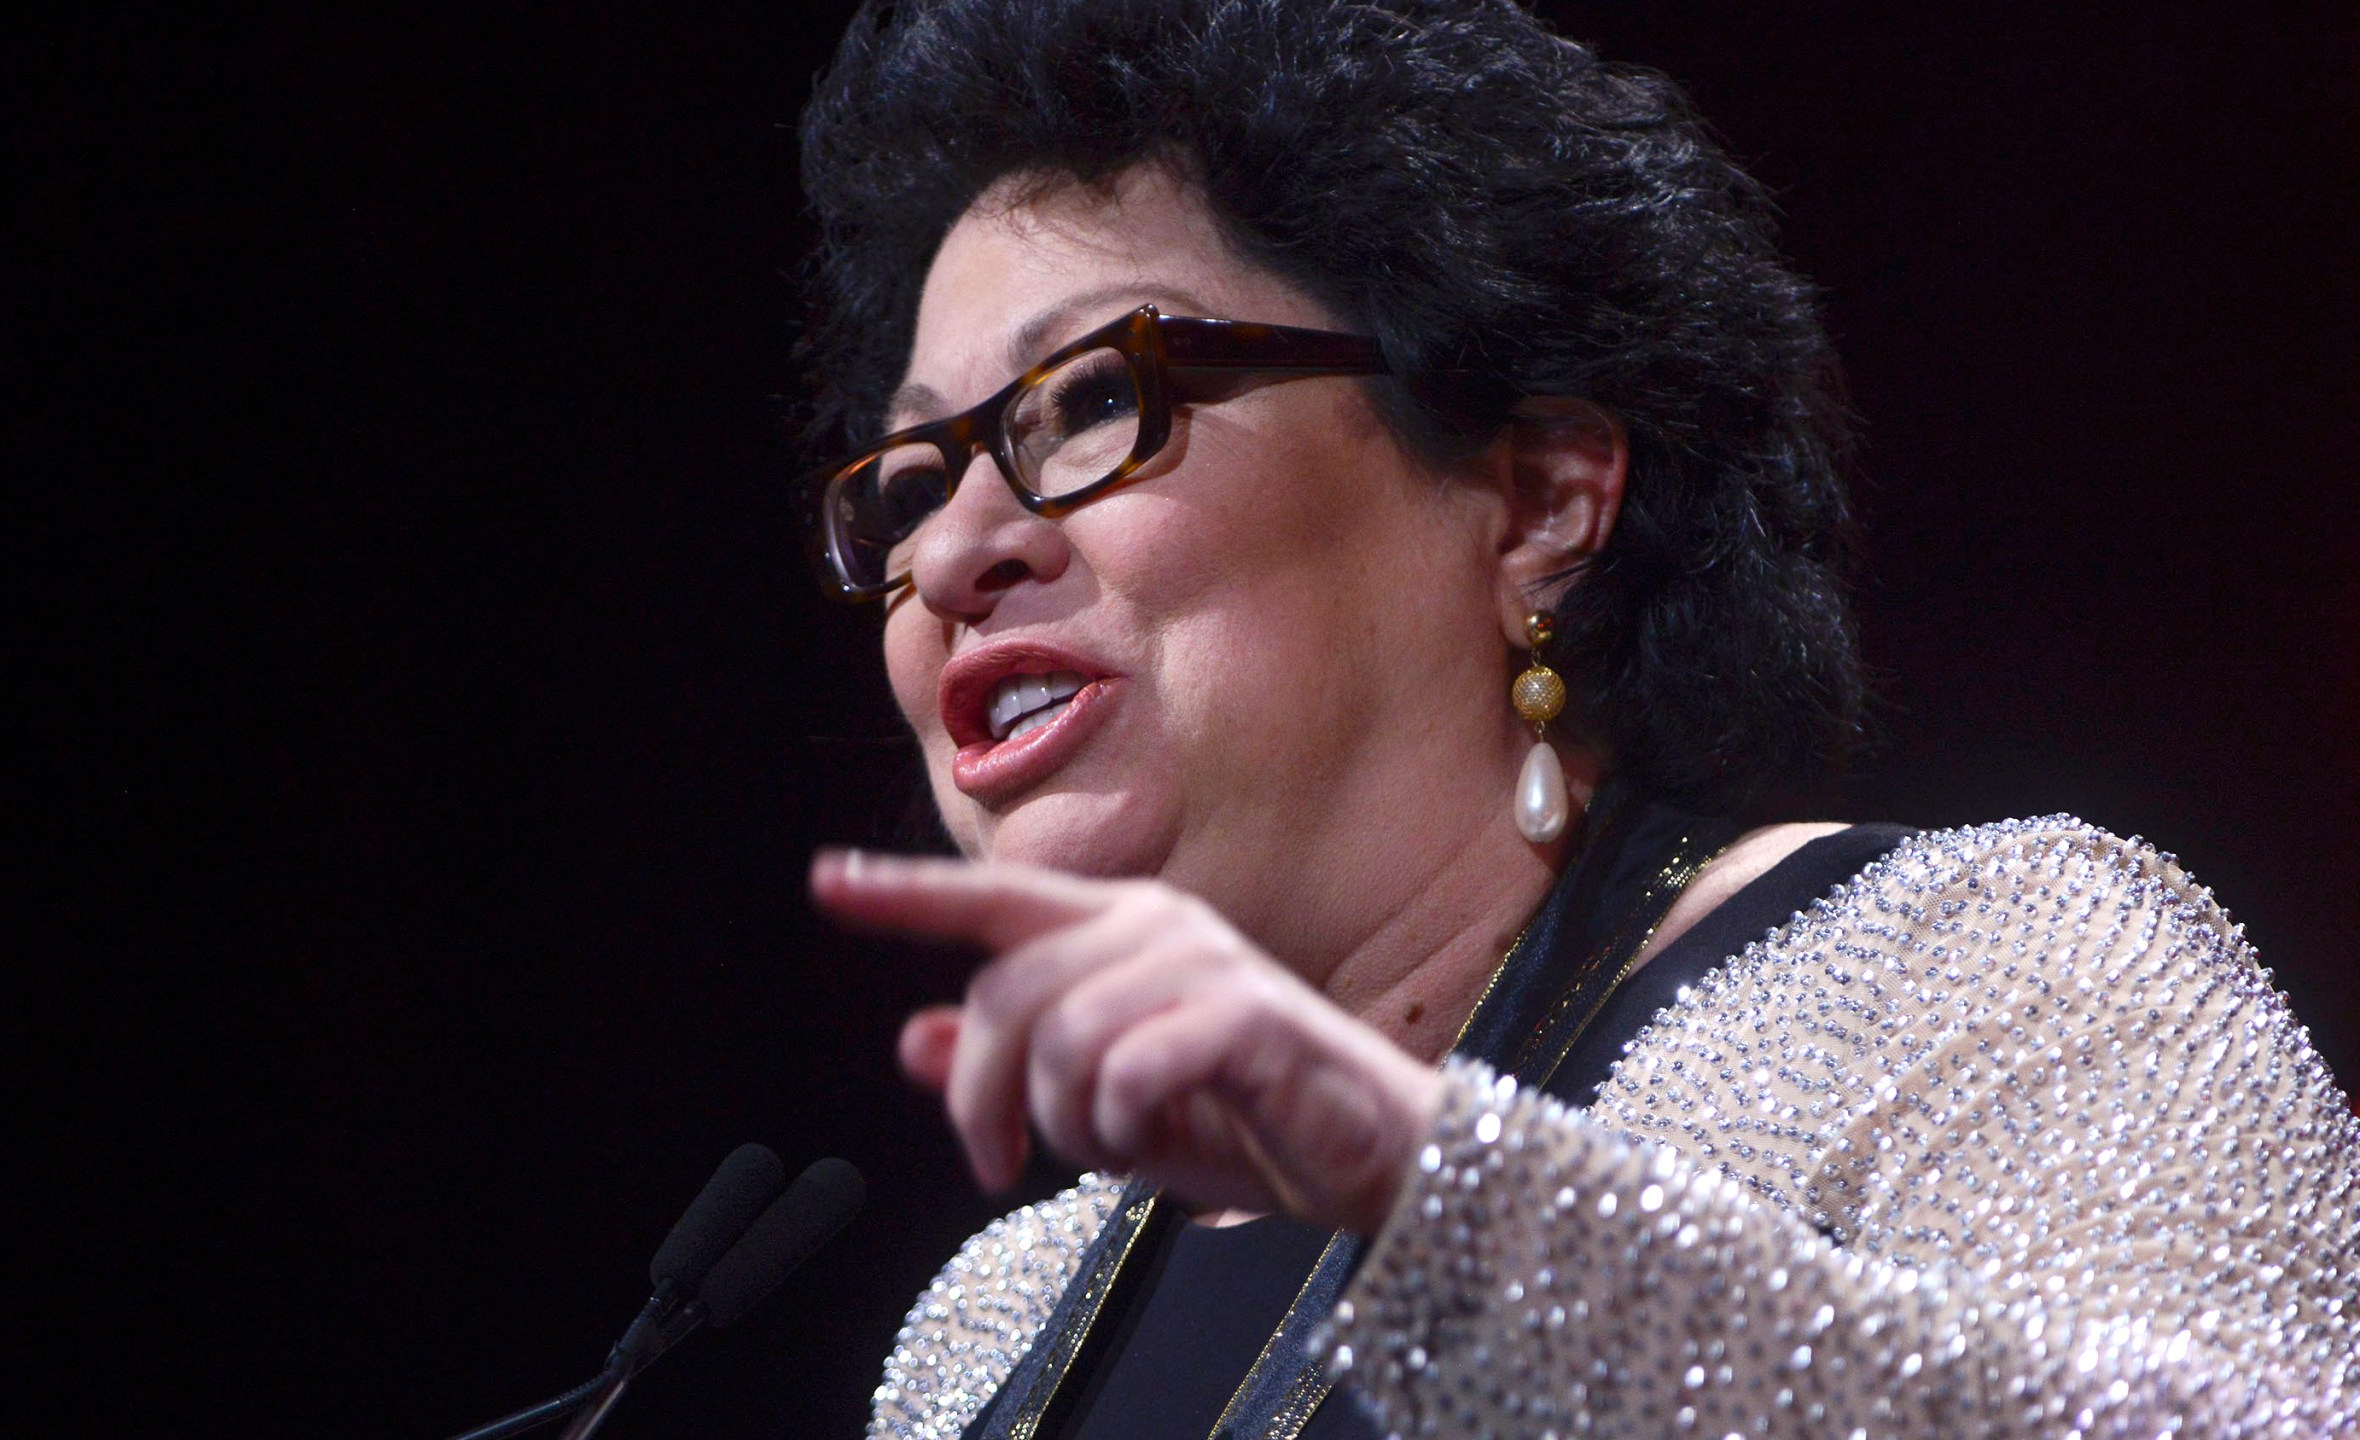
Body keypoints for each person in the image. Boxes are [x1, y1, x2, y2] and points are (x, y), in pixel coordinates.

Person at [790, 3, 2360, 1436]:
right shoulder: (978, 1339)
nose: (951, 552)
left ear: (1537, 498)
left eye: (1094, 400)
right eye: (913, 481)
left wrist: (1451, 1205)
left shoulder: (1974, 980)